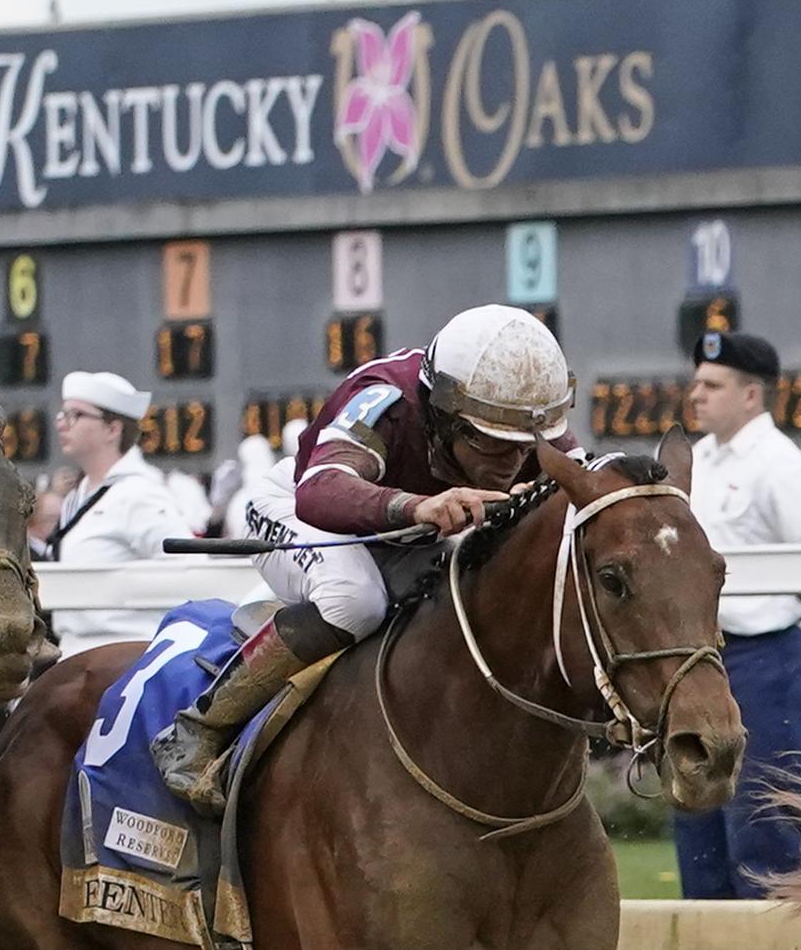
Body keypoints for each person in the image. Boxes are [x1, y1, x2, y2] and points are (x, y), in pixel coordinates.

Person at [151, 303, 573, 812]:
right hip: (301, 508)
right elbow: (321, 492)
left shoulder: (530, 418)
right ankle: (197, 730)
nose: (510, 464)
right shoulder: (386, 399)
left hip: (404, 536)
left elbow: (582, 486)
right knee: (357, 600)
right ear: (443, 414)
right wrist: (419, 505)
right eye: (489, 443)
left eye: (525, 446)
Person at [673, 329, 801, 899]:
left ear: (751, 396)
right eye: (695, 384)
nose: (696, 395)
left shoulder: (780, 466)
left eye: (712, 385)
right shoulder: (699, 462)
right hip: (704, 658)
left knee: (764, 822)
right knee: (696, 814)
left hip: (766, 657)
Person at [47, 369, 192, 657]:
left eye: (75, 415)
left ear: (113, 429)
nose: (62, 423)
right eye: (62, 414)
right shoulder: (79, 494)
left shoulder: (139, 493)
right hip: (76, 653)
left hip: (123, 656)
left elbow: (188, 570)